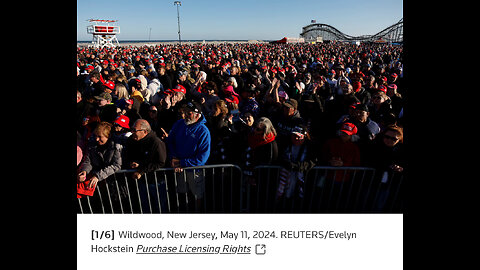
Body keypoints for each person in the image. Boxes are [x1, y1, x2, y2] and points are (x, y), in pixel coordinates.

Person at [166, 101, 211, 205]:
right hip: (179, 169)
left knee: (197, 196)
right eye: (184, 112)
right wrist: (174, 158)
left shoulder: (203, 131)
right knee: (182, 194)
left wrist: (182, 163)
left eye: (189, 113)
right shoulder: (179, 124)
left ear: (197, 115)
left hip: (195, 171)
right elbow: (170, 141)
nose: (185, 115)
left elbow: (203, 157)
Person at [77, 122, 123, 198]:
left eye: (100, 137)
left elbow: (116, 165)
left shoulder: (116, 145)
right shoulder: (92, 144)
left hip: (115, 183)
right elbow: (88, 160)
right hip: (98, 185)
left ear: (108, 136)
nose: (97, 139)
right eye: (95, 136)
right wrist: (84, 171)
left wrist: (98, 176)